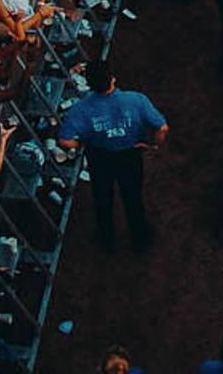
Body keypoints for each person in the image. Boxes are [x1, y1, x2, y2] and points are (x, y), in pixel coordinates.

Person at [59, 63, 171, 253]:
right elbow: (162, 127)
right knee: (133, 197)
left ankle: (107, 238)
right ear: (112, 78)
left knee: (102, 197)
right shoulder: (136, 100)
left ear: (89, 84)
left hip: (99, 157)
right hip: (129, 155)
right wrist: (154, 145)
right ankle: (140, 236)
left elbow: (64, 141)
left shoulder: (80, 109)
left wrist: (83, 145)